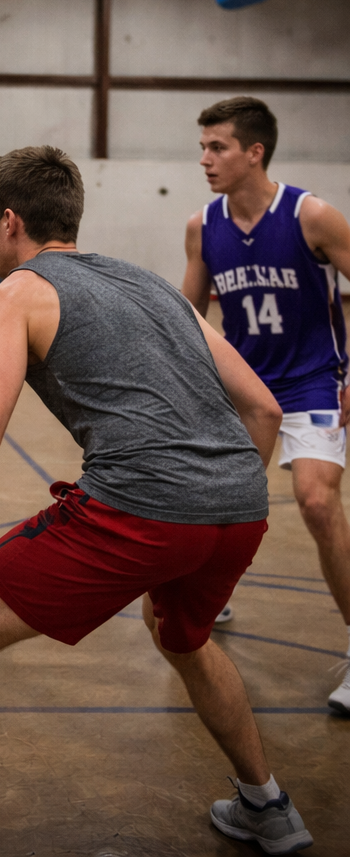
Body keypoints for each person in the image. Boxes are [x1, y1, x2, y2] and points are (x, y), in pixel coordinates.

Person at [0, 146, 313, 857]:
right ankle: (268, 808)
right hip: (240, 506)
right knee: (184, 637)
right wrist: (215, 499)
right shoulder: (155, 287)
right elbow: (265, 412)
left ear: (10, 221)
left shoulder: (14, 295)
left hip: (138, 509)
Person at [181, 96, 350, 716]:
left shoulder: (312, 216)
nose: (204, 158)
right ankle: (209, 596)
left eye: (217, 146)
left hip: (311, 381)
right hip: (247, 389)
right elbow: (190, 316)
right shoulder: (204, 226)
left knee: (315, 500)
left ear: (255, 152)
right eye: (202, 146)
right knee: (218, 503)